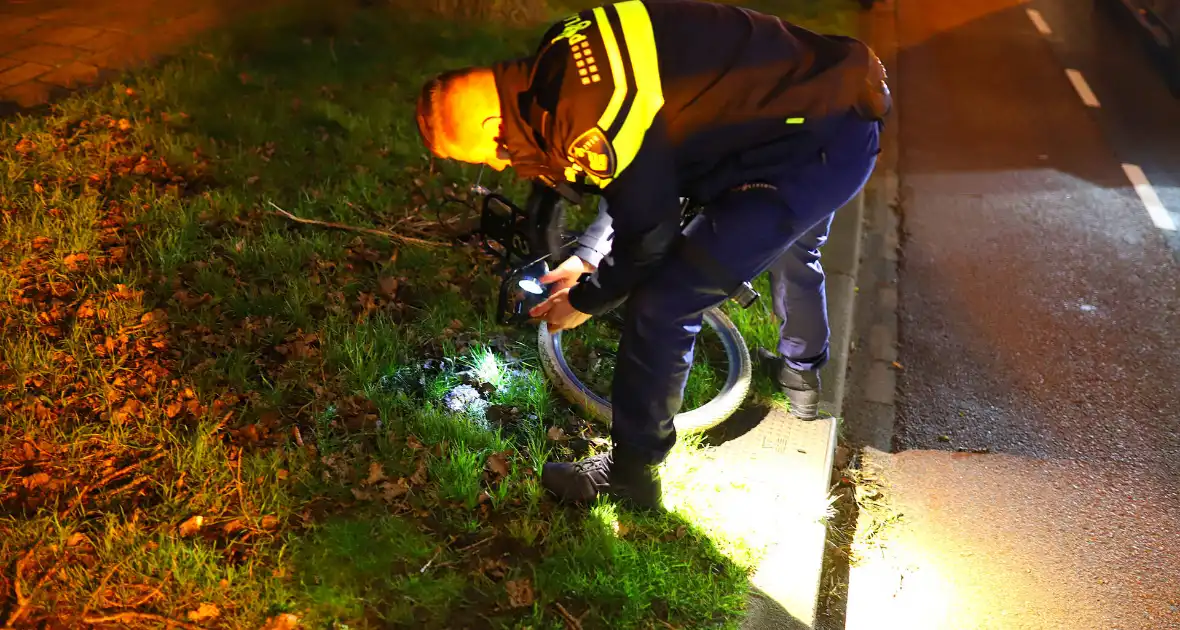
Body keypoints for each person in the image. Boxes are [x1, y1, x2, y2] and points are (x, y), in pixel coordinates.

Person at [416, 0, 890, 509]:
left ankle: (631, 477)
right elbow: (640, 166)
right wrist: (590, 255)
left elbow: (650, 233)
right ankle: (802, 371)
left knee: (663, 302)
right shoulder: (557, 57)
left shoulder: (588, 124)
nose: (499, 160)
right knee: (797, 249)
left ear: (492, 122)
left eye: (490, 152)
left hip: (809, 150)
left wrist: (587, 299)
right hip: (820, 97)